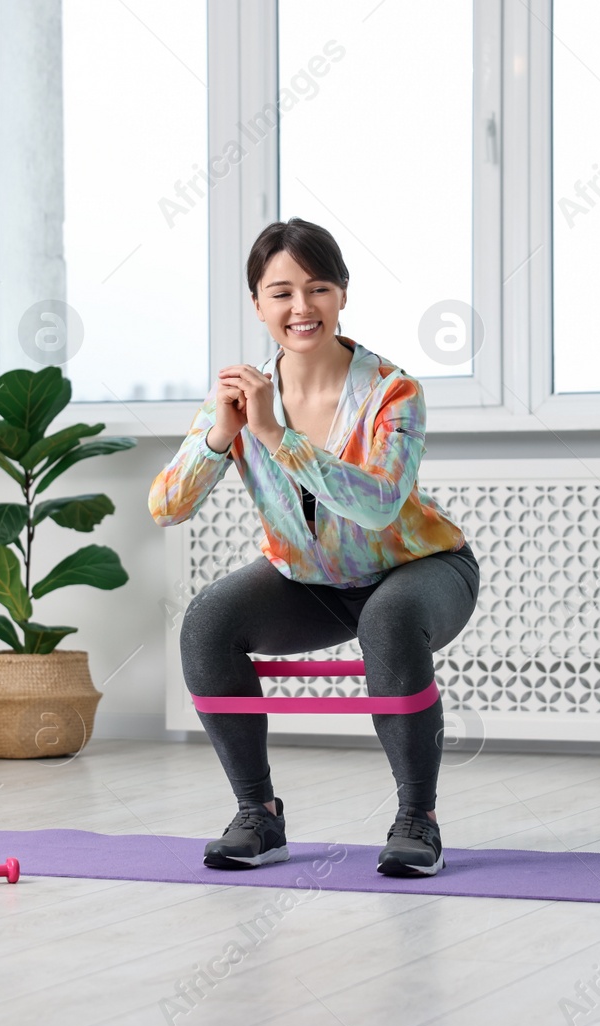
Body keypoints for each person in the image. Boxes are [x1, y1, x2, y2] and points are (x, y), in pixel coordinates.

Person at [148, 217, 480, 877]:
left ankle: (419, 816)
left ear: (342, 295)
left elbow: (379, 505)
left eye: (319, 288)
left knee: (386, 620)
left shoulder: (394, 392)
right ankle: (258, 814)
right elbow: (166, 506)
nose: (302, 307)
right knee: (208, 622)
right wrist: (222, 433)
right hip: (312, 584)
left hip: (423, 568)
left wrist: (275, 435)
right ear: (257, 305)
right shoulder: (241, 398)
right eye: (282, 292)